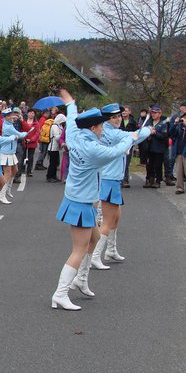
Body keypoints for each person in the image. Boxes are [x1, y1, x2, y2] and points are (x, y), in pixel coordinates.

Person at [52, 90, 136, 311]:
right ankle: (60, 294)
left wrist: (70, 103)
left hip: (81, 200)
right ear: (92, 128)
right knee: (78, 250)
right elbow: (115, 151)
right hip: (80, 202)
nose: (102, 129)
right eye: (100, 126)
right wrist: (132, 137)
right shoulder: (91, 148)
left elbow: (71, 119)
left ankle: (81, 279)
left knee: (95, 239)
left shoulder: (74, 135)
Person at [89, 104, 150, 271]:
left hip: (112, 178)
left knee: (116, 217)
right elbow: (137, 136)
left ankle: (111, 250)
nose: (117, 119)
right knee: (108, 221)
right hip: (109, 178)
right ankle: (95, 256)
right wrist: (149, 129)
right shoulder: (113, 133)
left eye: (119, 116)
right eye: (113, 117)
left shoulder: (108, 131)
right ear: (107, 119)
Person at [0, 108, 27, 203]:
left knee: (15, 170)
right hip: (6, 152)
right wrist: (27, 132)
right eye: (9, 116)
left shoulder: (9, 123)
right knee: (7, 174)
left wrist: (16, 117)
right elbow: (20, 134)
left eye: (11, 115)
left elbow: (14, 119)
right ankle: (1, 195)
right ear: (5, 117)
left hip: (11, 152)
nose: (11, 117)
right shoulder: (8, 127)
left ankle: (8, 190)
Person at [144, 105, 169, 188]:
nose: (153, 114)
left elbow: (164, 136)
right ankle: (149, 179)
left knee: (158, 165)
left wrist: (155, 133)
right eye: (152, 113)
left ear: (159, 114)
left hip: (159, 148)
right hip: (150, 147)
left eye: (155, 113)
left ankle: (158, 181)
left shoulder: (163, 123)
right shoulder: (149, 122)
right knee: (149, 164)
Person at [120, 106, 137, 187]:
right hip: (120, 144)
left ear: (129, 112)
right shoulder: (119, 121)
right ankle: (120, 179)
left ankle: (125, 180)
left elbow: (136, 133)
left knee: (126, 162)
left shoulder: (133, 122)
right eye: (123, 111)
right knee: (120, 162)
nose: (124, 112)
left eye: (126, 111)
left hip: (129, 145)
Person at [20, 109, 39, 177]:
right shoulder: (24, 122)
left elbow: (37, 133)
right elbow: (22, 130)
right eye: (30, 113)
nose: (31, 114)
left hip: (32, 142)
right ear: (27, 114)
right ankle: (22, 169)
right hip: (24, 141)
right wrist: (24, 138)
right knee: (23, 156)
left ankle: (29, 171)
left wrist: (31, 139)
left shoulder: (36, 123)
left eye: (32, 113)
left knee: (31, 157)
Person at [46, 113, 64, 182]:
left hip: (56, 148)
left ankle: (54, 176)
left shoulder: (59, 126)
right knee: (52, 163)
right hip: (52, 147)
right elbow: (57, 137)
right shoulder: (54, 126)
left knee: (55, 163)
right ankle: (49, 176)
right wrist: (62, 138)